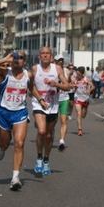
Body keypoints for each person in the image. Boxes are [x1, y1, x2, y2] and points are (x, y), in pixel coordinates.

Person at [0, 51, 41, 191]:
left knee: (19, 143)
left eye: (20, 58)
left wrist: (41, 100)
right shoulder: (4, 72)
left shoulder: (29, 75)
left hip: (20, 113)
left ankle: (15, 178)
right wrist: (4, 59)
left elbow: (31, 87)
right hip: (3, 112)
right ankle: (1, 147)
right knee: (5, 142)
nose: (17, 60)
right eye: (14, 57)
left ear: (24, 62)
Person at [32, 47, 72, 176]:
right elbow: (30, 85)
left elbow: (68, 86)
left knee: (48, 135)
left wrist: (57, 84)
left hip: (53, 106)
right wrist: (38, 98)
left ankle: (46, 159)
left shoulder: (57, 69)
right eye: (42, 53)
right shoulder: (34, 69)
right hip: (39, 104)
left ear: (51, 57)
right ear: (39, 56)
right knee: (41, 131)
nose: (45, 56)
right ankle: (39, 156)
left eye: (47, 54)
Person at [73, 66, 95, 136]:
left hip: (85, 98)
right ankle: (80, 129)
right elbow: (70, 84)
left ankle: (85, 109)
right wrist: (73, 86)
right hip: (77, 98)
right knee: (78, 114)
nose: (77, 76)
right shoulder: (75, 79)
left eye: (79, 75)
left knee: (83, 115)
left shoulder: (86, 79)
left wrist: (89, 90)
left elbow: (93, 86)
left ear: (82, 74)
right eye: (77, 74)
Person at [54, 55, 70, 151]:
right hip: (54, 99)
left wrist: (72, 84)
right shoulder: (51, 71)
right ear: (55, 61)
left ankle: (61, 140)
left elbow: (70, 81)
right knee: (53, 121)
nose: (60, 62)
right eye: (58, 60)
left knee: (63, 121)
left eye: (62, 60)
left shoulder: (67, 71)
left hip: (64, 98)